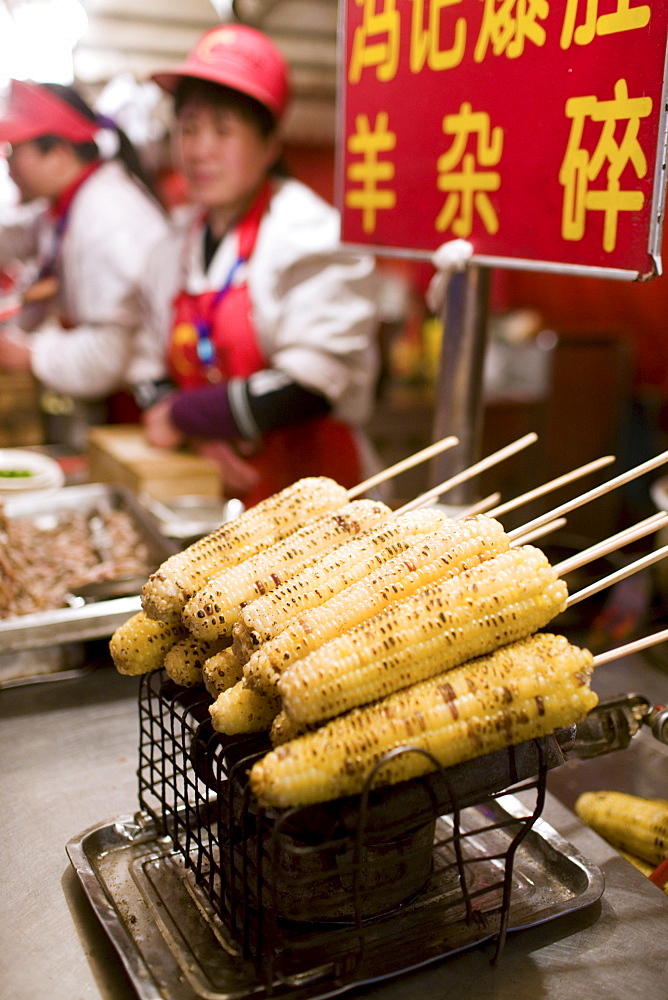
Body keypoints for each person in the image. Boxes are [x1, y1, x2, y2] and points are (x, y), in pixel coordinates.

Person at [141, 23, 381, 506]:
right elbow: (144, 360)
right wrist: (201, 433)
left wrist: (183, 415)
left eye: (222, 130)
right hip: (216, 496)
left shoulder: (310, 232)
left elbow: (314, 380)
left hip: (320, 498)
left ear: (270, 145)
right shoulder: (173, 245)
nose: (199, 149)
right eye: (188, 128)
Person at [0, 80, 171, 443]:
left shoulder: (108, 216)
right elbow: (14, 236)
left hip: (140, 410)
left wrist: (30, 354)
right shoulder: (70, 202)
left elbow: (111, 352)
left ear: (59, 153)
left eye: (15, 149)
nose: (7, 161)